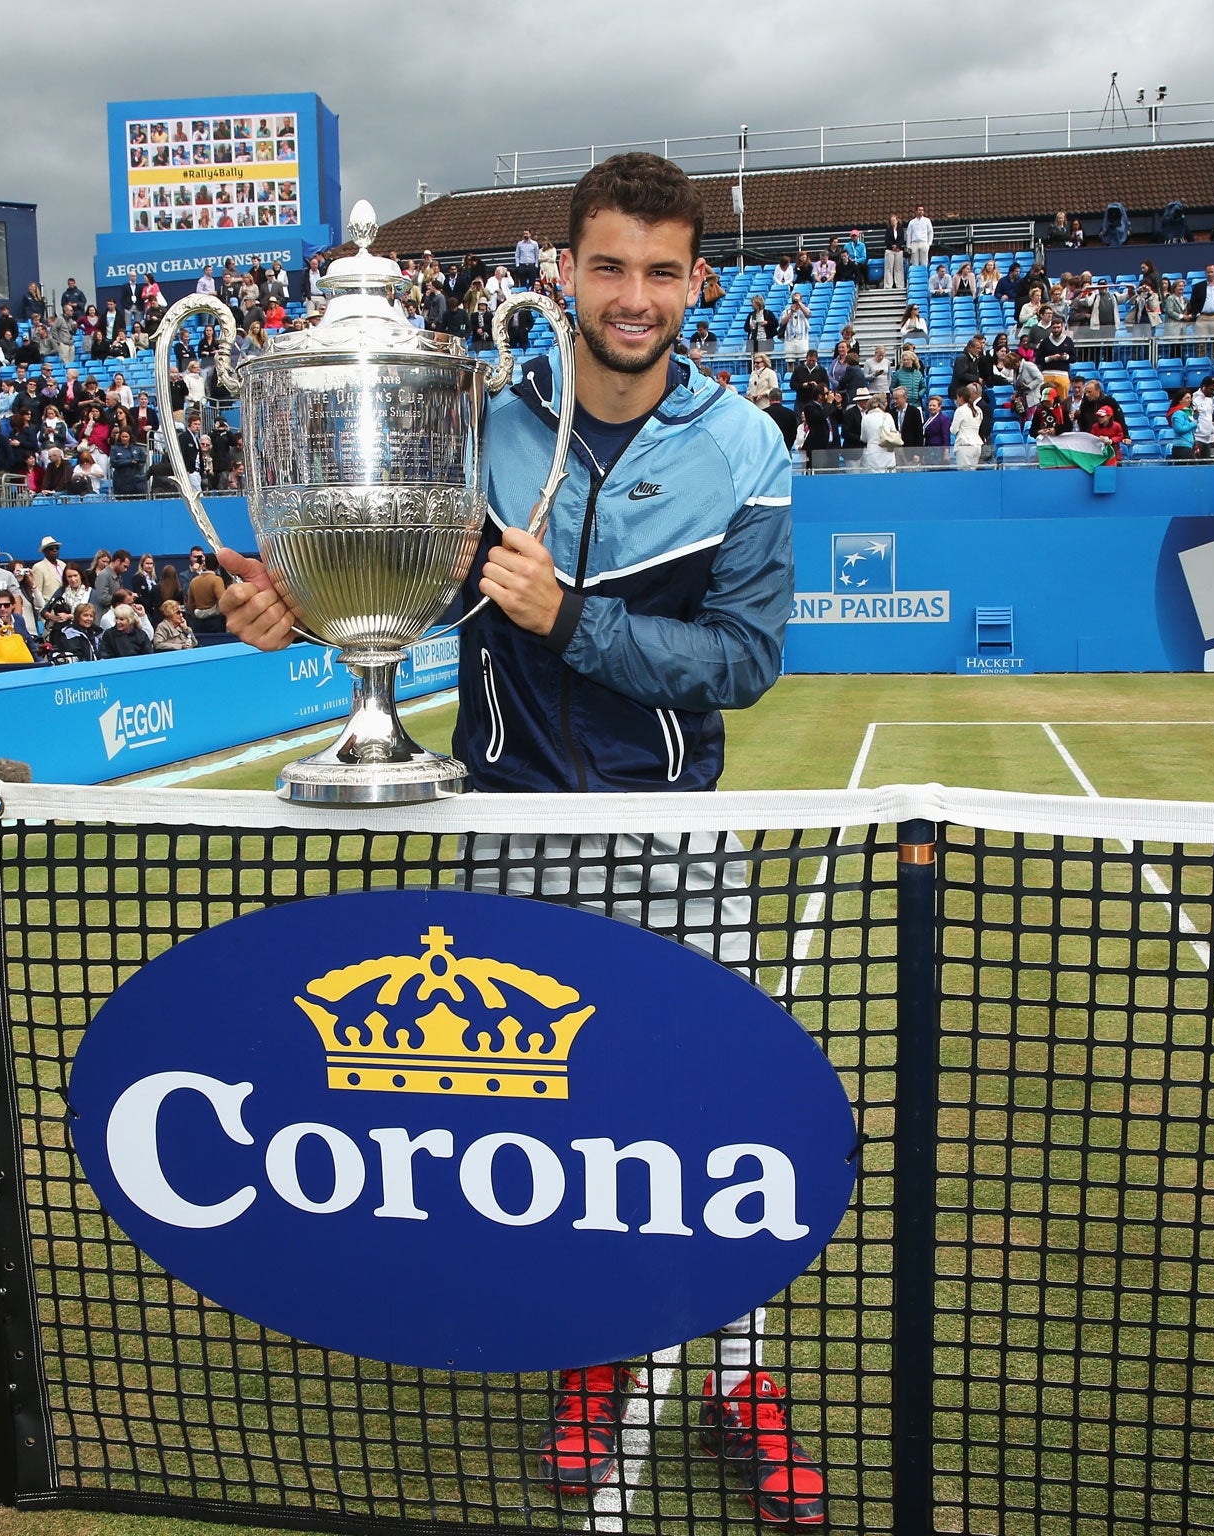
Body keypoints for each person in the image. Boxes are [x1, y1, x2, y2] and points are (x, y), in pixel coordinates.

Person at [215, 152, 818, 1526]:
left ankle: (737, 1379)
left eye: (662, 271)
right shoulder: (479, 421)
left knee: (711, 1123)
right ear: (564, 274)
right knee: (553, 1122)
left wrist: (571, 620)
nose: (634, 296)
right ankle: (591, 1360)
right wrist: (298, 610)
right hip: (504, 831)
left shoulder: (746, 449)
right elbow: (404, 597)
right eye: (608, 266)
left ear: (696, 283)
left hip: (676, 842)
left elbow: (742, 660)